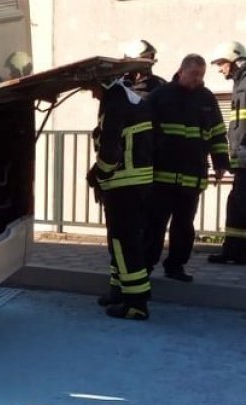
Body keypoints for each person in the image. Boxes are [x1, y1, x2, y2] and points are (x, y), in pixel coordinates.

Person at [145, 54, 231, 281]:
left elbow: (217, 132)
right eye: (194, 74)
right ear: (181, 71)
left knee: (184, 227)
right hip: (162, 178)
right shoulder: (160, 96)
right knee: (154, 225)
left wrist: (221, 162)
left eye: (201, 75)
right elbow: (145, 133)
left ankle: (176, 267)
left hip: (192, 177)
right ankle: (144, 267)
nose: (198, 79)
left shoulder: (206, 98)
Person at [89, 77, 154, 320]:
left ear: (103, 83)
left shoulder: (115, 102)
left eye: (92, 88)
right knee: (118, 241)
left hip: (124, 184)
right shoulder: (126, 98)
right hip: (131, 182)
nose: (92, 94)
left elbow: (110, 148)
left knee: (125, 243)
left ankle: (136, 303)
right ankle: (118, 291)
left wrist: (99, 174)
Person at [208, 41, 246, 264]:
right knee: (237, 205)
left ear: (234, 60)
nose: (220, 69)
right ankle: (233, 251)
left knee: (241, 205)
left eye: (221, 63)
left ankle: (238, 252)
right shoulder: (240, 83)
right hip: (241, 158)